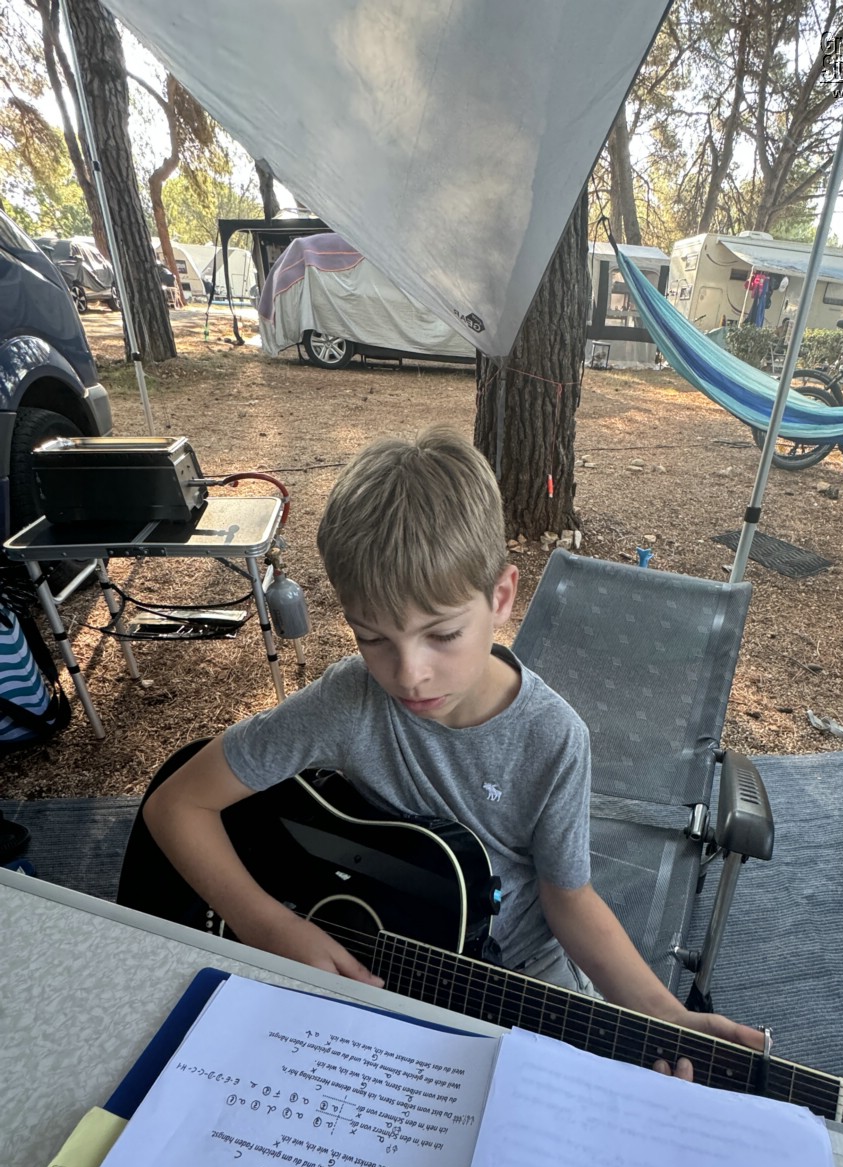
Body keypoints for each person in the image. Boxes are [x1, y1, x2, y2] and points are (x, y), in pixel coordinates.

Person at [144, 426, 761, 1055]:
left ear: (501, 597)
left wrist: (662, 1013)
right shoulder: (349, 701)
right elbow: (177, 805)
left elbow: (569, 899)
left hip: (522, 969)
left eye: (441, 635)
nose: (408, 674)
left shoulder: (552, 739)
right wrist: (269, 925)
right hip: (388, 954)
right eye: (372, 638)